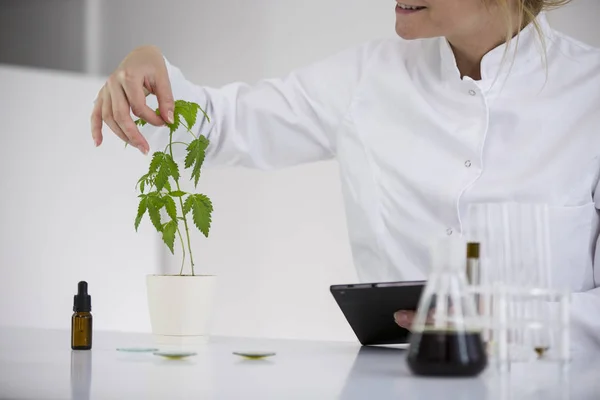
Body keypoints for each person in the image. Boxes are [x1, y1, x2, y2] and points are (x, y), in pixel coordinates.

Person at [91, 0, 600, 353]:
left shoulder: (590, 94)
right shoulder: (367, 78)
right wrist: (151, 74)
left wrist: (507, 323)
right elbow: (224, 125)